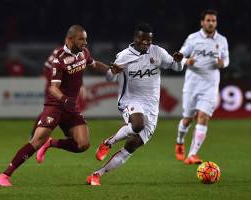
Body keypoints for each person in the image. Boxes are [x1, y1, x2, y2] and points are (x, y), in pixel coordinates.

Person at [0, 25, 121, 187]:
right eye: (81, 39)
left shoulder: (84, 53)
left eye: (86, 39)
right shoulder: (59, 60)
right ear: (70, 39)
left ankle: (51, 143)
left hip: (71, 107)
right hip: (55, 106)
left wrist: (111, 69)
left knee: (83, 144)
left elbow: (94, 64)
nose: (85, 42)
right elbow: (53, 88)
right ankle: (4, 176)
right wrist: (64, 99)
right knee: (36, 140)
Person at [86, 23, 184, 186]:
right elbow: (110, 78)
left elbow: (176, 66)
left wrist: (179, 62)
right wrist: (113, 72)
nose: (146, 43)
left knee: (131, 146)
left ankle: (96, 175)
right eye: (142, 39)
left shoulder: (158, 52)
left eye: (149, 40)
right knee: (138, 124)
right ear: (135, 39)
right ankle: (108, 143)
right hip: (130, 100)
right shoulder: (124, 56)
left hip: (152, 106)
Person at [174, 9, 229, 164]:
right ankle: (179, 141)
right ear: (202, 22)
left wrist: (222, 63)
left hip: (210, 85)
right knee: (187, 119)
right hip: (192, 84)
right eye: (208, 20)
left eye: (214, 21)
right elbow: (181, 55)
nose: (211, 23)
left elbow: (227, 59)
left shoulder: (222, 40)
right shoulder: (193, 38)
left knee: (203, 117)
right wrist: (185, 61)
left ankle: (192, 154)